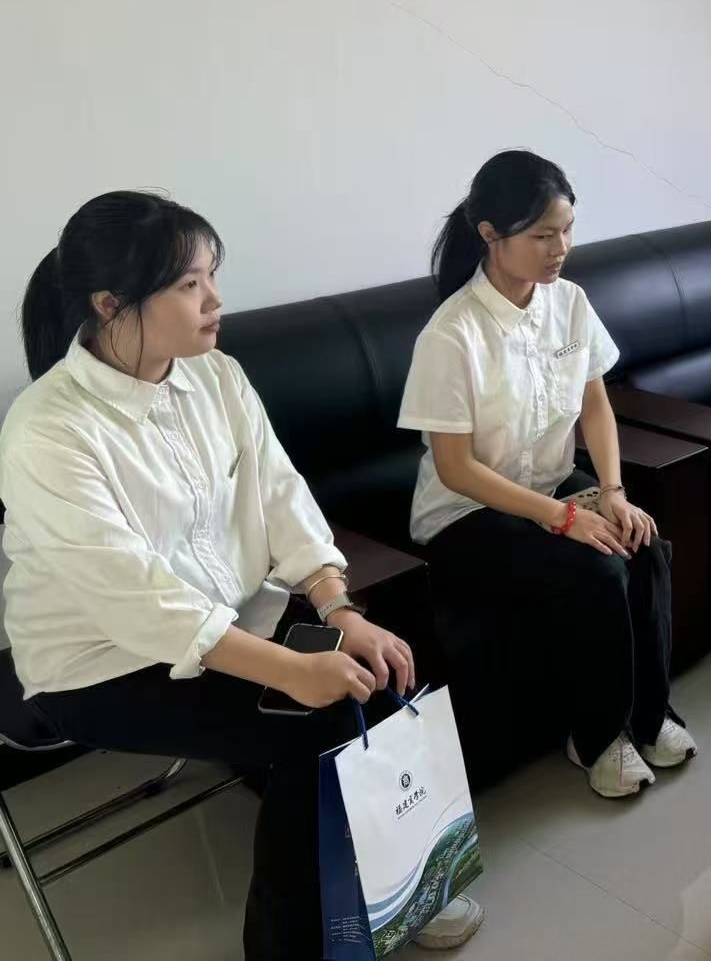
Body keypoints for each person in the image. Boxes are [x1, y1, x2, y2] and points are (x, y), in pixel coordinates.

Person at [0, 192, 482, 959]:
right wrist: (291, 668)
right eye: (189, 284)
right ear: (109, 303)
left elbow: (281, 495)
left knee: (382, 661)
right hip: (101, 662)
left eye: (212, 276)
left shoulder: (216, 375)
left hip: (230, 614)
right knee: (317, 726)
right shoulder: (46, 430)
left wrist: (340, 607)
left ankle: (404, 882)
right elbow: (136, 598)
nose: (215, 299)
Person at [398, 149, 693, 800]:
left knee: (643, 543)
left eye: (567, 230)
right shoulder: (451, 334)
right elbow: (455, 468)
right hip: (466, 516)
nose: (560, 248)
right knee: (595, 568)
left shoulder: (571, 303)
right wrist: (563, 517)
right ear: (490, 235)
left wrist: (612, 493)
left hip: (551, 486)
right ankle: (598, 739)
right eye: (542, 235)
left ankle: (650, 717)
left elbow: (595, 405)